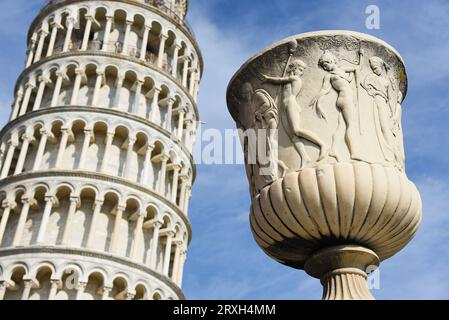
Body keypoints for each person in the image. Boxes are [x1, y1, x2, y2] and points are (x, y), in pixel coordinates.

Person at [262, 59, 328, 167]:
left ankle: (322, 145)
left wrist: (268, 78)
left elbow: (279, 80)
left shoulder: (295, 79)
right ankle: (304, 157)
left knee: (296, 130)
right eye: (300, 70)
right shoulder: (289, 79)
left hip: (291, 105)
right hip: (284, 107)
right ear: (294, 68)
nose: (301, 73)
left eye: (302, 70)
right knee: (292, 136)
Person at [310, 50, 362, 161]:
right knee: (351, 124)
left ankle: (333, 149)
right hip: (345, 99)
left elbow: (357, 68)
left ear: (332, 60)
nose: (325, 68)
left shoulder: (342, 69)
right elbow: (324, 90)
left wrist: (361, 56)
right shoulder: (329, 76)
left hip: (345, 100)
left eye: (326, 64)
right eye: (324, 66)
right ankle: (354, 153)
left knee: (342, 126)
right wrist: (317, 100)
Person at [361, 56, 396, 162]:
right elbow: (364, 84)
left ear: (381, 67)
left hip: (382, 103)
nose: (374, 70)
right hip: (374, 101)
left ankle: (390, 152)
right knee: (375, 126)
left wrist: (393, 114)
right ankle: (381, 152)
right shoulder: (371, 77)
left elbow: (390, 98)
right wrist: (374, 91)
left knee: (384, 127)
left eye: (375, 68)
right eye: (372, 68)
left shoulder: (386, 82)